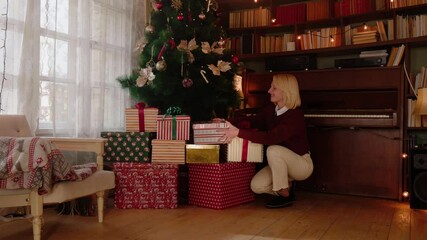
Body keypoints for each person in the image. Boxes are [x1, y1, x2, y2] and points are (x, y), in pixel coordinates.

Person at [220, 73, 313, 208]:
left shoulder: (295, 115)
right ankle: (286, 189)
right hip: (280, 163)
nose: (269, 91)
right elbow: (253, 121)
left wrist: (237, 133)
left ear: (285, 91)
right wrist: (226, 121)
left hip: (301, 164)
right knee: (256, 186)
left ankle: (282, 190)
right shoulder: (270, 110)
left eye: (274, 88)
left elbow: (271, 137)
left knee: (273, 149)